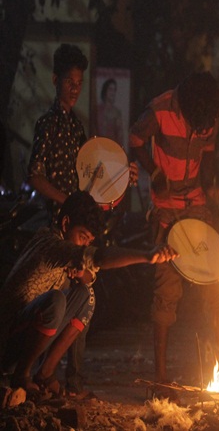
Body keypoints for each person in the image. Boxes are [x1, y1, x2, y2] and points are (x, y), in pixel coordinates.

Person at [27, 43, 138, 397]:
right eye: (69, 82)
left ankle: (70, 381)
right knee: (54, 300)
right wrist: (67, 203)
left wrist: (124, 178)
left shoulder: (78, 128)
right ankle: (30, 373)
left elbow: (93, 182)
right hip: (54, 228)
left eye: (79, 82)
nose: (75, 88)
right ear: (56, 79)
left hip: (76, 225)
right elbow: (35, 175)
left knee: (85, 293)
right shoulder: (46, 124)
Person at [0, 190, 177, 395]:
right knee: (56, 300)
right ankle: (21, 375)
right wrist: (147, 255)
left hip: (27, 334)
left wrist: (82, 272)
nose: (85, 245)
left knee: (86, 296)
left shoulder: (66, 249)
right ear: (66, 224)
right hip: (8, 342)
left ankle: (44, 374)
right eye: (82, 237)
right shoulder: (52, 244)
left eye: (89, 241)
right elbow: (100, 258)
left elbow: (89, 275)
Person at [129, 71, 219, 392]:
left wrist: (212, 188)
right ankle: (160, 377)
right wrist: (154, 171)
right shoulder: (159, 110)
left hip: (197, 204)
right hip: (166, 209)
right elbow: (134, 140)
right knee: (167, 291)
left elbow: (210, 155)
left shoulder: (208, 115)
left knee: (217, 282)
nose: (202, 127)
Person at [96, 78, 124, 146]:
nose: (112, 92)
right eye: (110, 89)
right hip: (97, 148)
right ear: (105, 90)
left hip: (112, 149)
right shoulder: (97, 110)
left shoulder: (117, 113)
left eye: (114, 90)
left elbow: (120, 136)